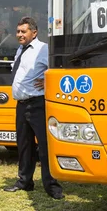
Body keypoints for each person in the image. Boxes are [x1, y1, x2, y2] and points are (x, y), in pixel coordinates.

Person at [4, 16, 64, 200]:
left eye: (23, 31)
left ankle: (52, 186)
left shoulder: (43, 49)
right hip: (21, 105)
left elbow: (59, 70)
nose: (19, 35)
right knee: (24, 146)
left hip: (38, 105)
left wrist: (46, 82)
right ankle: (24, 182)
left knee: (45, 147)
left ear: (34, 32)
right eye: (18, 31)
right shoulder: (20, 50)